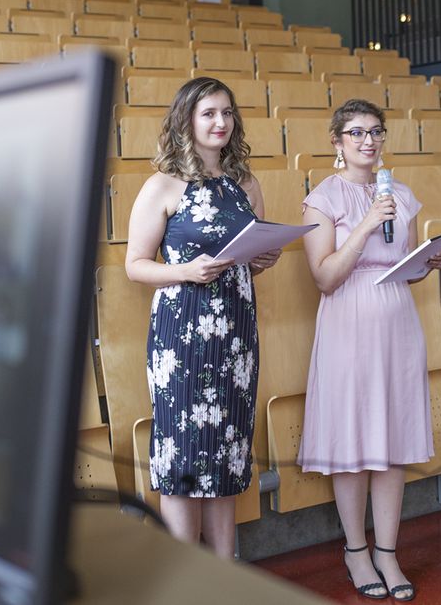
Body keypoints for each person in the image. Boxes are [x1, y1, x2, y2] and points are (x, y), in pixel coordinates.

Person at [297, 99, 441, 601]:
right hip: (348, 321)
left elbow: (399, 262)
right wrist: (364, 225)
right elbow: (324, 277)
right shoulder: (321, 198)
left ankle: (388, 551)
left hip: (397, 320)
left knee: (393, 438)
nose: (369, 140)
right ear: (337, 141)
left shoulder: (400, 194)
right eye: (357, 132)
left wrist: (428, 261)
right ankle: (355, 549)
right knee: (353, 441)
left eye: (376, 131)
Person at [125, 76, 282, 557]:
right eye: (209, 113)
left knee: (227, 455)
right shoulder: (163, 185)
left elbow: (253, 251)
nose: (221, 122)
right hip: (182, 334)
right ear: (187, 120)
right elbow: (134, 266)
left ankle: (223, 573)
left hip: (236, 335)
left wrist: (263, 259)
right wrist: (186, 271)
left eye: (227, 113)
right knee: (182, 456)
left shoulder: (245, 184)